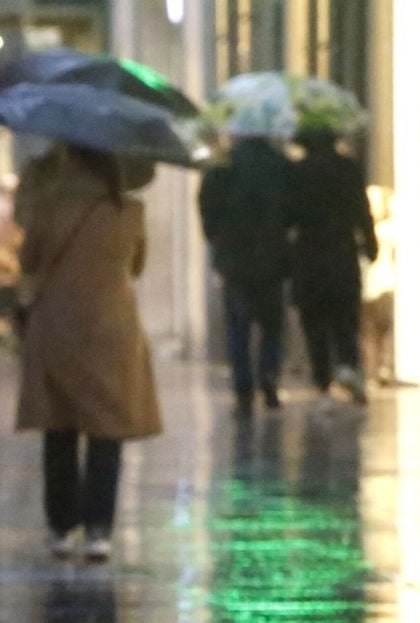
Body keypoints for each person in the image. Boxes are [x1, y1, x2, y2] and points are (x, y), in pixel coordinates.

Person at [15, 146, 163, 560]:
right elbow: (136, 265)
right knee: (106, 428)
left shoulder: (49, 206)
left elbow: (28, 260)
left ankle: (62, 527)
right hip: (111, 327)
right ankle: (100, 531)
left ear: (72, 159)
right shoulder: (128, 209)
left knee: (59, 427)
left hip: (57, 324)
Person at [198, 134, 293, 414]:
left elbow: (207, 206)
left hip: (234, 259)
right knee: (272, 324)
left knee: (238, 325)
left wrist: (215, 237)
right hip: (272, 258)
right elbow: (292, 208)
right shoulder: (280, 164)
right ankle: (269, 375)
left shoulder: (223, 166)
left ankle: (243, 387)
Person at [289, 127, 376, 403]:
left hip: (309, 253)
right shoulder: (348, 169)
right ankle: (348, 365)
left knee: (314, 320)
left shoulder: (298, 172)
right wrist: (370, 243)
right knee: (345, 317)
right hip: (342, 251)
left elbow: (287, 215)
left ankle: (322, 380)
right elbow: (362, 210)